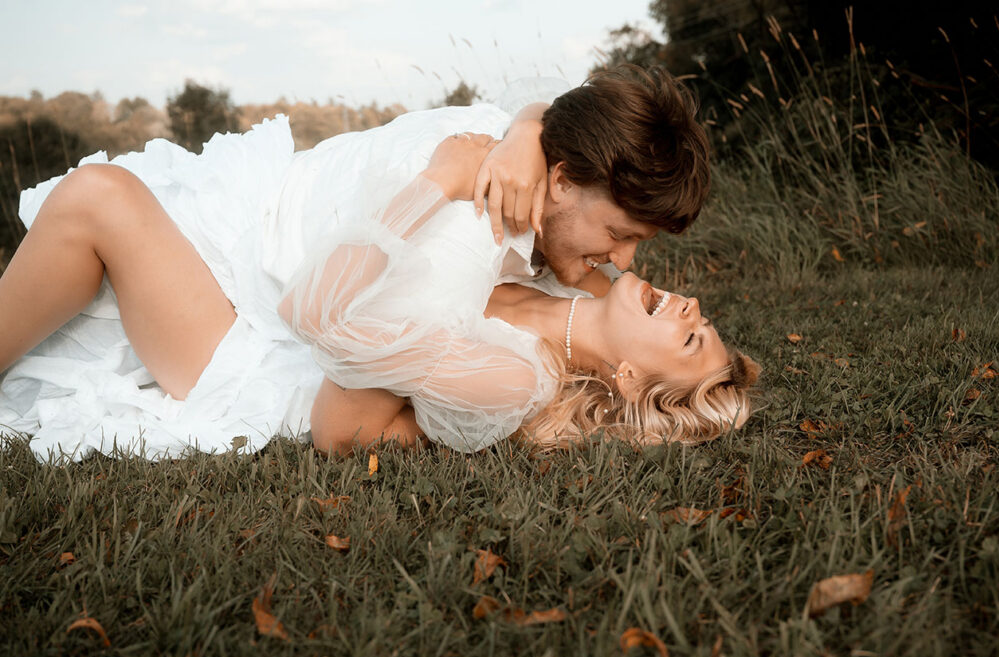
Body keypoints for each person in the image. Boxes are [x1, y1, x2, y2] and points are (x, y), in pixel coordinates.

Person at [0, 66, 757, 460]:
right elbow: (559, 107)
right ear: (558, 179)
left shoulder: (516, 375)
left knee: (97, 196)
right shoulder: (582, 275)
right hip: (272, 251)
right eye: (624, 234)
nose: (627, 260)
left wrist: (442, 181)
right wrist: (524, 131)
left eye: (692, 338)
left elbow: (322, 343)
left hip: (252, 357)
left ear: (627, 381)